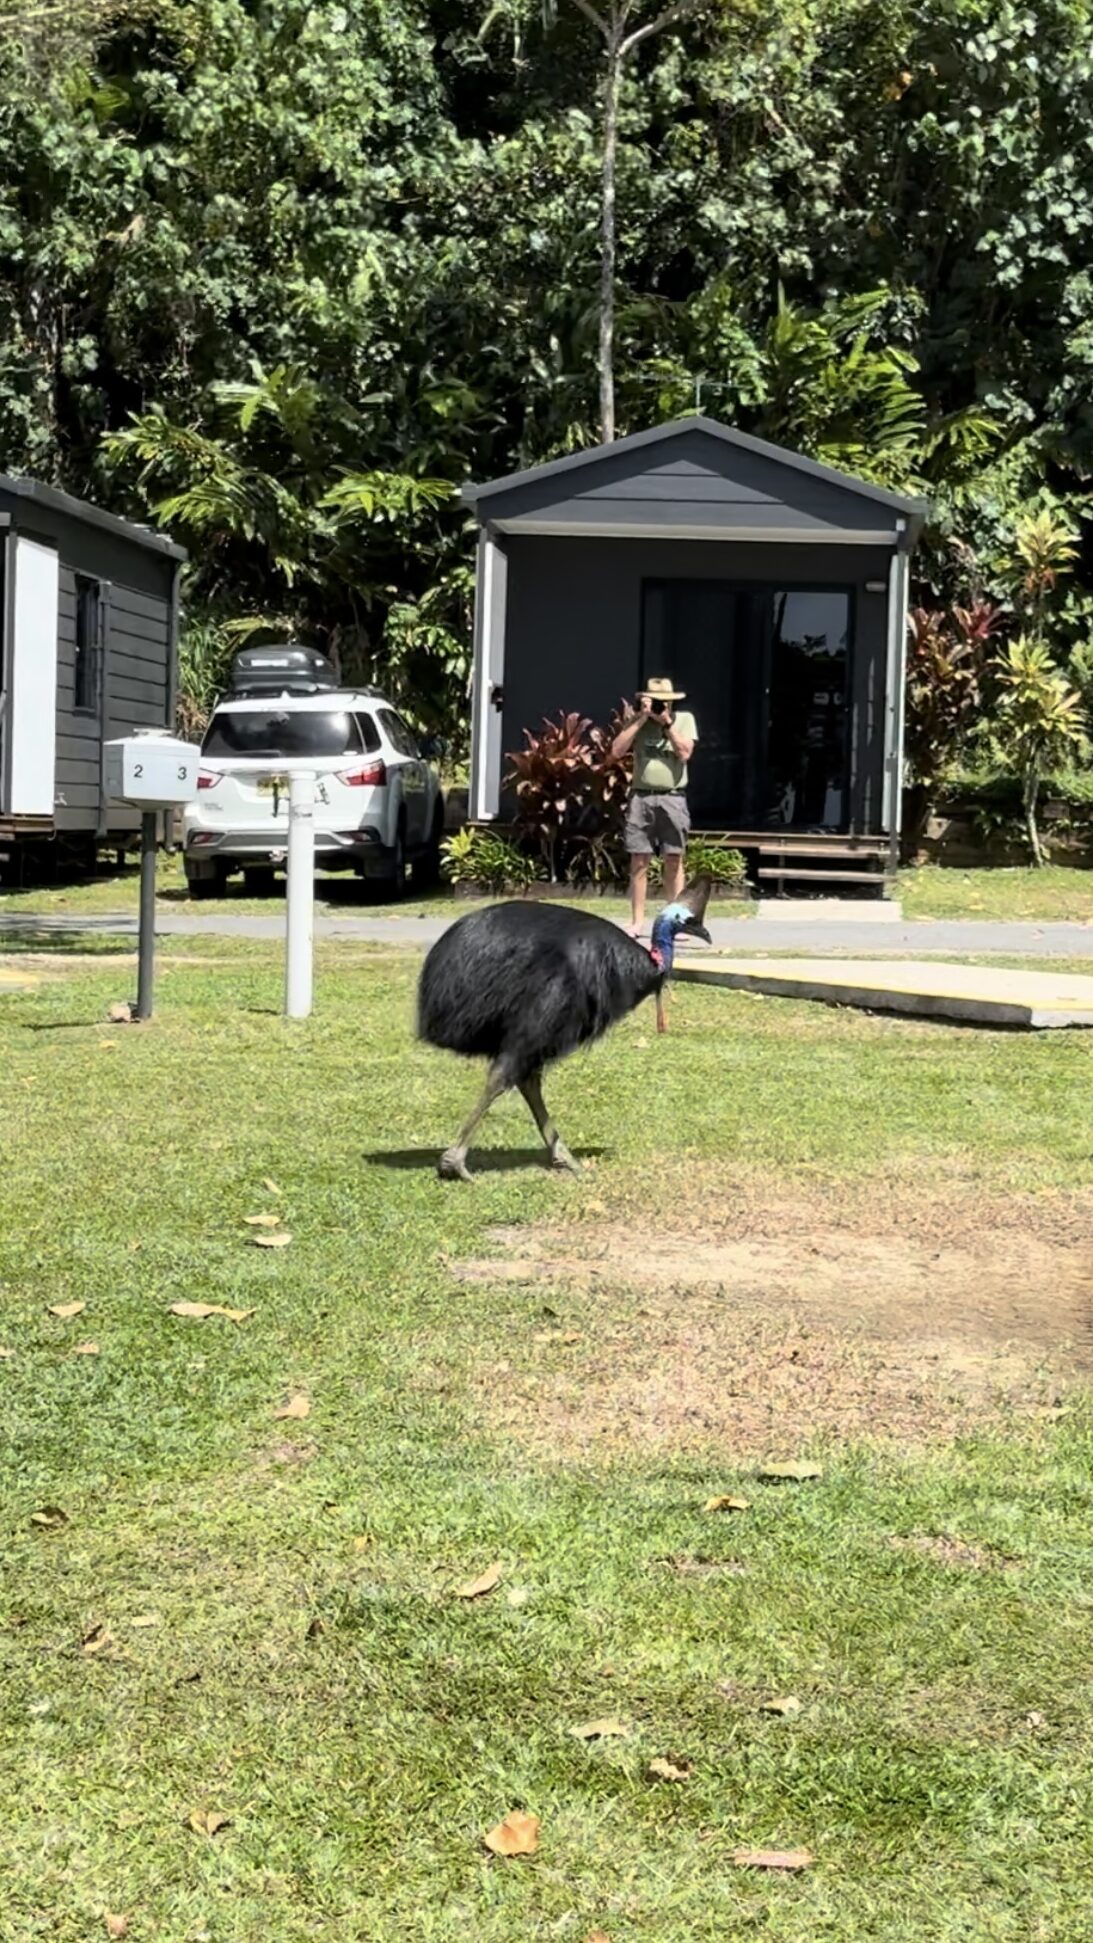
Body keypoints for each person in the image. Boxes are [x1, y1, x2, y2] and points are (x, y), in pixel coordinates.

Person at [611, 675, 698, 936]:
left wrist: (667, 724)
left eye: (664, 702)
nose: (660, 706)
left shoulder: (684, 720)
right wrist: (640, 720)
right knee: (639, 859)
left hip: (673, 797)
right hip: (641, 797)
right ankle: (637, 922)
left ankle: (674, 922)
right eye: (655, 702)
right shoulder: (637, 721)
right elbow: (616, 751)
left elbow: (685, 753)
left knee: (674, 859)